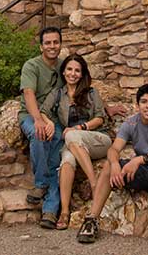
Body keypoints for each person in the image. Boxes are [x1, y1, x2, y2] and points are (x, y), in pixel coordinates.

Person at [76, 83, 148, 249]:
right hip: (143, 170)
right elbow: (114, 149)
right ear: (137, 105)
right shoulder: (131, 123)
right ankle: (91, 221)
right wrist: (115, 164)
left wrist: (139, 160)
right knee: (108, 166)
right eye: (144, 101)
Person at [40, 54, 111, 230]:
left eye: (77, 70)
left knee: (70, 136)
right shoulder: (57, 94)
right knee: (66, 162)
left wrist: (79, 129)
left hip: (97, 139)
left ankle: (94, 183)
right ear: (63, 71)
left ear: (82, 74)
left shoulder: (91, 93)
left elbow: (100, 118)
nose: (73, 73)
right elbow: (43, 111)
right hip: (73, 144)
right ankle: (64, 212)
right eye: (70, 69)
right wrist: (49, 122)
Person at [19, 26, 64, 228]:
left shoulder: (64, 66)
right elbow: (28, 93)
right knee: (39, 136)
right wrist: (38, 120)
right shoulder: (32, 65)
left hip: (55, 120)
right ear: (41, 46)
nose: (52, 46)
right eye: (48, 43)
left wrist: (106, 108)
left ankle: (49, 212)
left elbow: (83, 88)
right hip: (31, 115)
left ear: (60, 44)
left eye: (55, 42)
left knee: (56, 158)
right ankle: (42, 186)